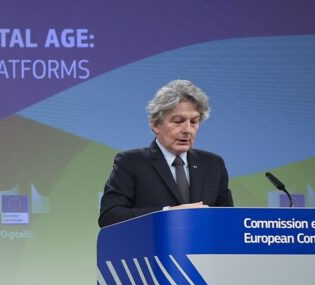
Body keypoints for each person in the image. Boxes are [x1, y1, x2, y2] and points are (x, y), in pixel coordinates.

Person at [98, 79, 233, 227]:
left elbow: (229, 221)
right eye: (178, 121)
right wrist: (168, 213)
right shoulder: (131, 162)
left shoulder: (213, 165)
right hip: (150, 248)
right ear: (156, 124)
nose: (187, 130)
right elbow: (109, 216)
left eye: (194, 122)